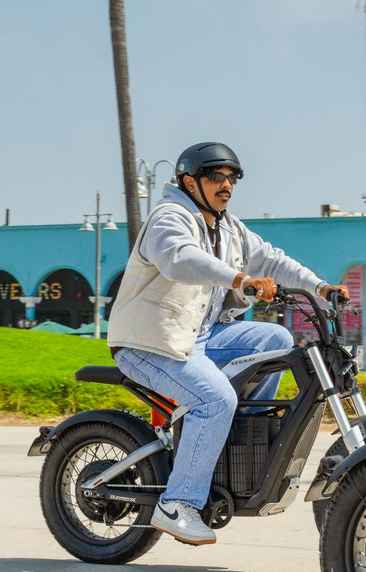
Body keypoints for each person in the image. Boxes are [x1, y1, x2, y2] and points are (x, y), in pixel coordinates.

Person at [106, 141, 344, 546]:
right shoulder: (169, 218)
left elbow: (272, 260)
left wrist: (320, 287)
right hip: (150, 344)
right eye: (216, 176)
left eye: (232, 178)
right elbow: (180, 259)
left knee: (276, 338)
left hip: (199, 338)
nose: (227, 185)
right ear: (189, 181)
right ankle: (177, 503)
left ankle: (229, 435)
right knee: (215, 399)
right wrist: (240, 280)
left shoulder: (228, 227)